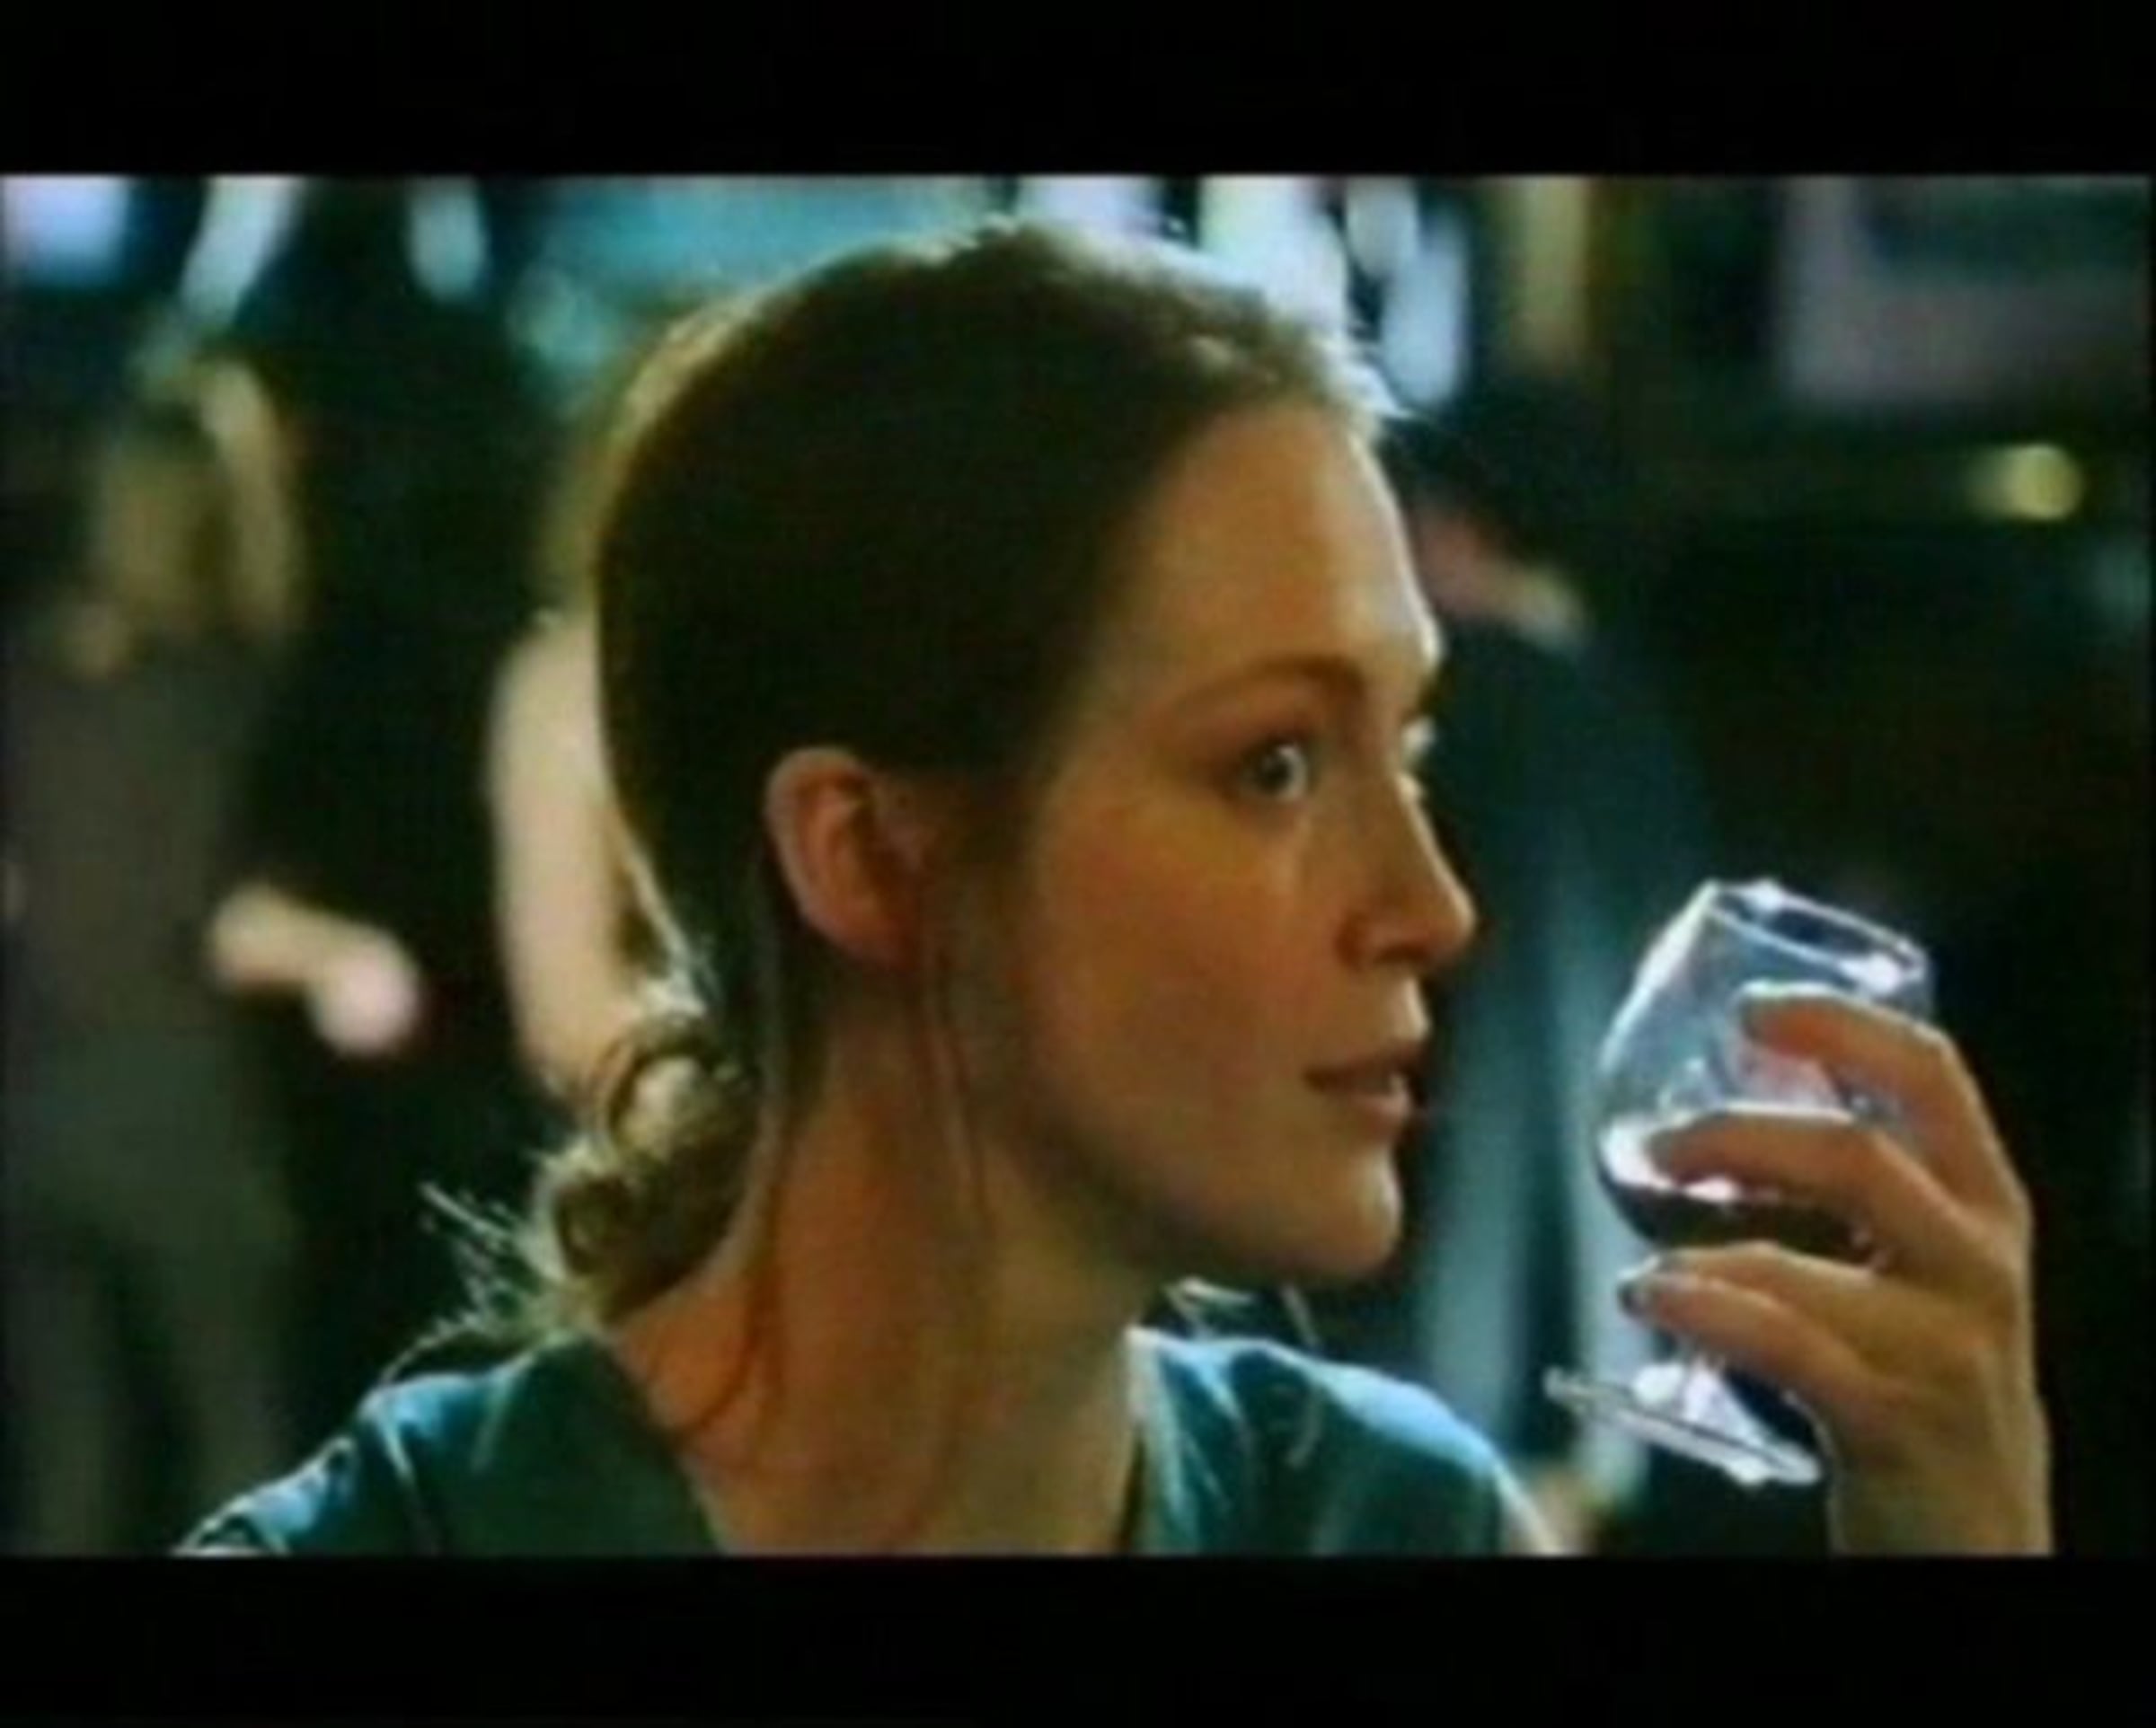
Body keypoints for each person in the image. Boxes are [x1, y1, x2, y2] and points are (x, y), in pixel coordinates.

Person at [181, 220, 2052, 1556]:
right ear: (869, 853)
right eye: (1275, 765)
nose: (1433, 906)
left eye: (1405, 750)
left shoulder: (1387, 1516)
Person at [1306, 384, 1717, 1549]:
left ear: (1448, 522)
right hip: (1608, 1303)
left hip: (1440, 1296)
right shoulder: (1629, 719)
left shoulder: (1470, 717)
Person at [4, 347, 304, 1550]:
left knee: (65, 1471)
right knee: (237, 1447)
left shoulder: (24, 672)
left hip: (31, 1105)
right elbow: (205, 910)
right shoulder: (226, 692)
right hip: (183, 1111)